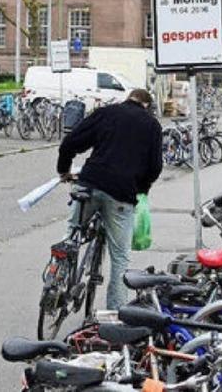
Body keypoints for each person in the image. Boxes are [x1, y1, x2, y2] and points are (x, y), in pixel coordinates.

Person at [56, 89, 163, 310]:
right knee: (120, 258)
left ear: (129, 99)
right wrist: (140, 189)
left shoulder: (106, 113)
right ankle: (116, 313)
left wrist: (64, 171)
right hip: (121, 195)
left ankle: (57, 276)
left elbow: (70, 143)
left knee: (72, 233)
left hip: (89, 183)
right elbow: (154, 168)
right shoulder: (152, 125)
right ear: (146, 105)